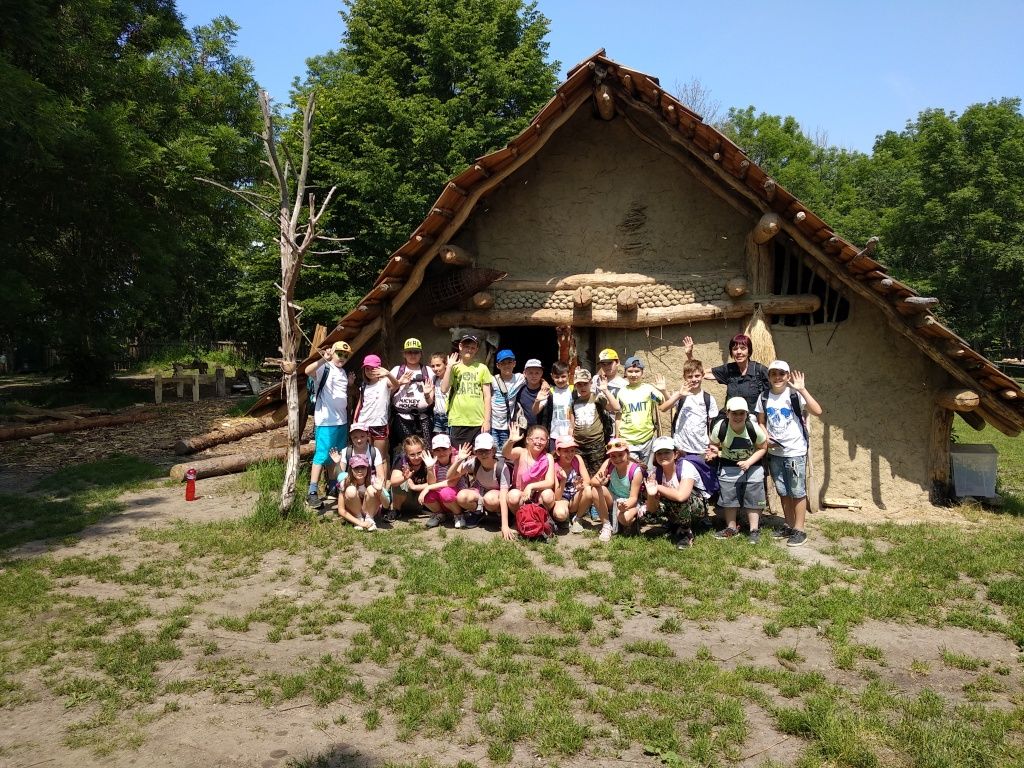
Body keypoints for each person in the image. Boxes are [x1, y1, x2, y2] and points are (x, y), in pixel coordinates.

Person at [755, 361, 823, 548]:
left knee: (797, 491)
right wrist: (765, 435)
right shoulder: (764, 397)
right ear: (769, 377)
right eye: (774, 374)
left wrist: (803, 390)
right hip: (775, 452)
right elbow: (761, 421)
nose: (778, 377)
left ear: (787, 376)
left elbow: (817, 411)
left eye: (782, 374)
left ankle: (800, 529)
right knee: (783, 490)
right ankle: (789, 524)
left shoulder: (794, 395)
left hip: (794, 451)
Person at [709, 397, 769, 542]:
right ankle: (731, 527)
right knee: (729, 496)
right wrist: (713, 451)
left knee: (753, 496)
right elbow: (714, 444)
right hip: (728, 464)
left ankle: (754, 530)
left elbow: (763, 447)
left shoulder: (752, 428)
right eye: (734, 413)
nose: (738, 417)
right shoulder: (720, 427)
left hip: (752, 465)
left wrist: (748, 462)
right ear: (727, 413)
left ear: (746, 414)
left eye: (741, 413)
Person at [658, 357, 720, 497]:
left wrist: (713, 446)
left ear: (703, 376)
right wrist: (674, 394)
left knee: (702, 484)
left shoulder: (708, 398)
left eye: (697, 375)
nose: (694, 379)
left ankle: (702, 512)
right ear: (684, 377)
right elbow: (663, 408)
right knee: (682, 481)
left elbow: (712, 424)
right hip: (682, 449)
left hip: (700, 449)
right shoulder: (681, 395)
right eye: (690, 376)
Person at [303, 340, 353, 511]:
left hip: (341, 421)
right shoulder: (324, 368)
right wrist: (324, 359)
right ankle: (312, 492)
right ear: (333, 352)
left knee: (336, 455)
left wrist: (350, 383)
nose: (342, 357)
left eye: (346, 355)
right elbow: (307, 371)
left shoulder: (343, 372)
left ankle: (332, 486)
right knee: (321, 455)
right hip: (326, 421)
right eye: (340, 354)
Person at [645, 436, 709, 549]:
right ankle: (674, 525)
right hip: (675, 505)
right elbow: (652, 509)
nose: (663, 456)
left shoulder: (686, 467)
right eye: (659, 453)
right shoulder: (655, 473)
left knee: (680, 499)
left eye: (667, 452)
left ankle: (686, 532)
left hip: (696, 507)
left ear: (676, 454)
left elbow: (681, 496)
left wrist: (658, 487)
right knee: (646, 516)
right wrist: (651, 494)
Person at [684, 334, 769, 415]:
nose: (739, 352)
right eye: (735, 349)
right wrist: (689, 355)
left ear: (749, 351)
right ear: (731, 352)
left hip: (753, 421)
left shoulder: (760, 370)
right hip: (731, 420)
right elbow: (702, 373)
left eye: (743, 348)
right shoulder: (729, 369)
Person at [452, 432, 513, 537]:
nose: (483, 454)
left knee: (490, 499)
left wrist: (505, 525)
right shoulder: (474, 462)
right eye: (480, 451)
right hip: (480, 493)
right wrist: (459, 460)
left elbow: (503, 497)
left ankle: (500, 515)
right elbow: (451, 476)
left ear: (493, 450)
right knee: (461, 496)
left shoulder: (501, 468)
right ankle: (477, 513)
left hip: (496, 496)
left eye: (486, 451)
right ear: (475, 452)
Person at [354, 353, 411, 459]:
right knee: (366, 456)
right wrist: (355, 422)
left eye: (373, 369)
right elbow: (360, 405)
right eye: (367, 369)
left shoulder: (385, 382)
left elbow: (396, 384)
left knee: (381, 457)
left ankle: (383, 476)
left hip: (379, 424)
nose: (370, 371)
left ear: (379, 368)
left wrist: (388, 374)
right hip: (364, 423)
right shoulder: (364, 385)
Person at [440, 334, 493, 446]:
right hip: (458, 420)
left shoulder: (482, 368)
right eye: (466, 346)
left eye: (473, 347)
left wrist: (487, 421)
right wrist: (449, 367)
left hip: (478, 420)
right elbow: (444, 389)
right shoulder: (453, 368)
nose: (469, 350)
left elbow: (487, 396)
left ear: (477, 349)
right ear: (460, 346)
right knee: (459, 456)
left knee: (479, 455)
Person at [590, 437, 645, 543]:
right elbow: (593, 481)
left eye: (621, 455)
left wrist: (625, 505)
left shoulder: (635, 471)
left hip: (628, 500)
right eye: (613, 456)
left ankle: (635, 514)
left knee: (625, 518)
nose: (617, 459)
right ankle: (606, 525)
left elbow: (633, 497)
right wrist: (601, 482)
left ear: (627, 454)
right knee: (595, 489)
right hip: (613, 498)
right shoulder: (609, 463)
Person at [614, 356, 666, 466]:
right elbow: (618, 416)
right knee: (634, 470)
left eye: (637, 371)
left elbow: (663, 404)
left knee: (647, 471)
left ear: (642, 372)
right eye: (630, 371)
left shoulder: (648, 390)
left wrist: (663, 391)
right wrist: (617, 437)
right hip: (628, 440)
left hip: (647, 439)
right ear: (625, 373)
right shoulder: (621, 392)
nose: (634, 374)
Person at [389, 338, 435, 458]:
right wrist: (399, 382)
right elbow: (387, 393)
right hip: (402, 417)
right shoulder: (396, 370)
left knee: (426, 448)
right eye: (409, 352)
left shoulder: (428, 371)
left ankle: (426, 473)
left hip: (423, 417)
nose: (412, 355)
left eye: (416, 352)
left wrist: (427, 394)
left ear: (421, 354)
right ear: (404, 354)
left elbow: (431, 399)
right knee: (407, 450)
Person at [570, 367, 619, 476]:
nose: (582, 387)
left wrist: (605, 390)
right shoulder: (574, 402)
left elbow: (616, 408)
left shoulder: (597, 398)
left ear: (590, 383)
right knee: (582, 475)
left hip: (596, 445)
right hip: (579, 446)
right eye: (579, 385)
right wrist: (571, 442)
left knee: (597, 475)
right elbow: (572, 426)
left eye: (585, 384)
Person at [329, 422, 388, 508]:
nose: (359, 440)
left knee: (376, 484)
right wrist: (337, 463)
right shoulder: (347, 451)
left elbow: (380, 475)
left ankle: (374, 506)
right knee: (344, 477)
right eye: (355, 437)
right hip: (353, 484)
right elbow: (339, 476)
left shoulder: (374, 451)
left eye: (362, 436)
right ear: (351, 438)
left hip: (369, 483)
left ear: (367, 435)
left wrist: (380, 490)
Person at [502, 422, 555, 514]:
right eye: (536, 438)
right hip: (520, 494)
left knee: (548, 495)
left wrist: (530, 486)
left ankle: (540, 519)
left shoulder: (548, 457)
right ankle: (519, 519)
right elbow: (506, 454)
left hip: (538, 495)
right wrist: (510, 441)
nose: (538, 442)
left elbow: (550, 482)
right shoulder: (521, 452)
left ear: (547, 442)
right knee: (513, 496)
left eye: (542, 439)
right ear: (527, 440)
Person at [422, 434, 464, 528]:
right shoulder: (433, 462)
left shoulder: (456, 460)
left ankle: (458, 515)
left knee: (446, 493)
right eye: (437, 450)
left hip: (455, 495)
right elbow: (432, 483)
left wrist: (428, 487)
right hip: (441, 495)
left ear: (450, 449)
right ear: (433, 452)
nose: (441, 453)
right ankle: (440, 514)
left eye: (444, 449)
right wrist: (429, 468)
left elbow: (452, 482)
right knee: (427, 496)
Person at [551, 436, 592, 534]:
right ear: (558, 452)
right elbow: (557, 497)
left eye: (572, 450)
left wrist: (580, 487)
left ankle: (577, 518)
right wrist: (563, 480)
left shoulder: (577, 459)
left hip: (575, 497)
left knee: (589, 489)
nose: (570, 454)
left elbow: (587, 481)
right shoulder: (554, 465)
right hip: (562, 499)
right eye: (566, 451)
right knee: (560, 514)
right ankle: (565, 518)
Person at [335, 454, 382, 531]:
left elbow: (386, 504)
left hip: (370, 510)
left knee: (371, 489)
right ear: (351, 469)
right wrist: (359, 523)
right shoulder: (345, 482)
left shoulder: (374, 481)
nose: (360, 471)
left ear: (368, 468)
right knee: (351, 490)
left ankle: (369, 519)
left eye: (363, 467)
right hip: (354, 512)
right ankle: (358, 519)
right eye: (356, 468)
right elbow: (341, 510)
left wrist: (380, 491)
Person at [490, 349, 525, 450]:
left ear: (514, 363)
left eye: (509, 362)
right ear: (498, 365)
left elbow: (535, 378)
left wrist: (544, 383)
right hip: (493, 424)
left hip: (508, 426)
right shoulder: (493, 380)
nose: (507, 365)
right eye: (503, 363)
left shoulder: (520, 378)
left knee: (505, 453)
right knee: (493, 452)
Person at [534, 360, 572, 449]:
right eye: (557, 377)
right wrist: (537, 401)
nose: (560, 380)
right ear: (552, 376)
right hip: (554, 435)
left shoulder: (573, 390)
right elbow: (536, 411)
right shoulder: (549, 391)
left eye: (563, 376)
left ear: (569, 375)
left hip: (570, 434)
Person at [594, 348, 628, 441]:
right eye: (603, 364)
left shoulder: (624, 384)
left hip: (615, 429)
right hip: (597, 430)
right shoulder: (595, 380)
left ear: (617, 362)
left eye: (610, 363)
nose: (607, 367)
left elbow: (621, 409)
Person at [516, 358, 548, 430]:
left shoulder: (545, 391)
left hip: (541, 431)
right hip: (524, 430)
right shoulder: (519, 390)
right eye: (530, 373)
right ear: (524, 373)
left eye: (537, 373)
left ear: (541, 373)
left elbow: (536, 411)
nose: (534, 376)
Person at [430, 352, 450, 436]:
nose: (435, 368)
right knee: (439, 444)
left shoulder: (451, 378)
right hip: (437, 416)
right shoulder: (434, 378)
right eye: (433, 366)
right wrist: (427, 394)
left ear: (445, 364)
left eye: (438, 365)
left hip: (449, 417)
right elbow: (430, 400)